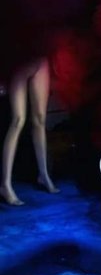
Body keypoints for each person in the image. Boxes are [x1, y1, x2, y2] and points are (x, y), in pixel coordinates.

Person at [0, 56, 59, 205]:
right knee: (18, 120)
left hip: (39, 58)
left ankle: (44, 175)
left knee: (40, 119)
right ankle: (5, 184)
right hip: (18, 58)